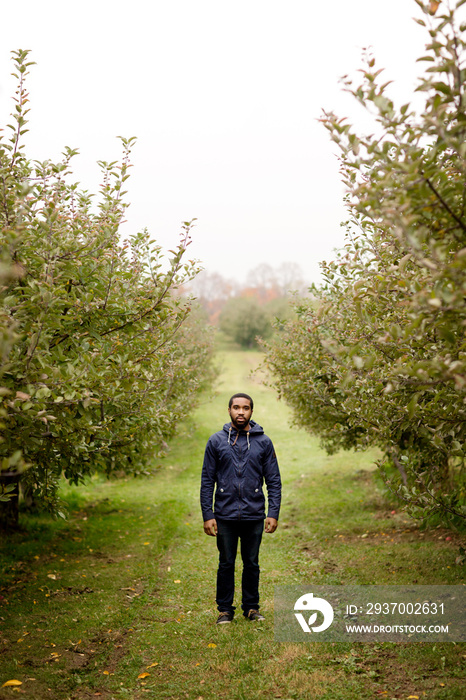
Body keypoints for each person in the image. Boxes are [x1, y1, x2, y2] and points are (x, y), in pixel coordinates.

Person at [200, 392, 282, 624]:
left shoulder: (263, 442)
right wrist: (208, 514)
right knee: (226, 562)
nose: (240, 412)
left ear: (251, 412)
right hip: (224, 514)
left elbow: (273, 480)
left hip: (253, 513)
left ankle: (251, 608)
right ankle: (225, 610)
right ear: (229, 411)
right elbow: (207, 480)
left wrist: (273, 513)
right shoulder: (216, 441)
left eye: (245, 408)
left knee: (251, 562)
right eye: (236, 407)